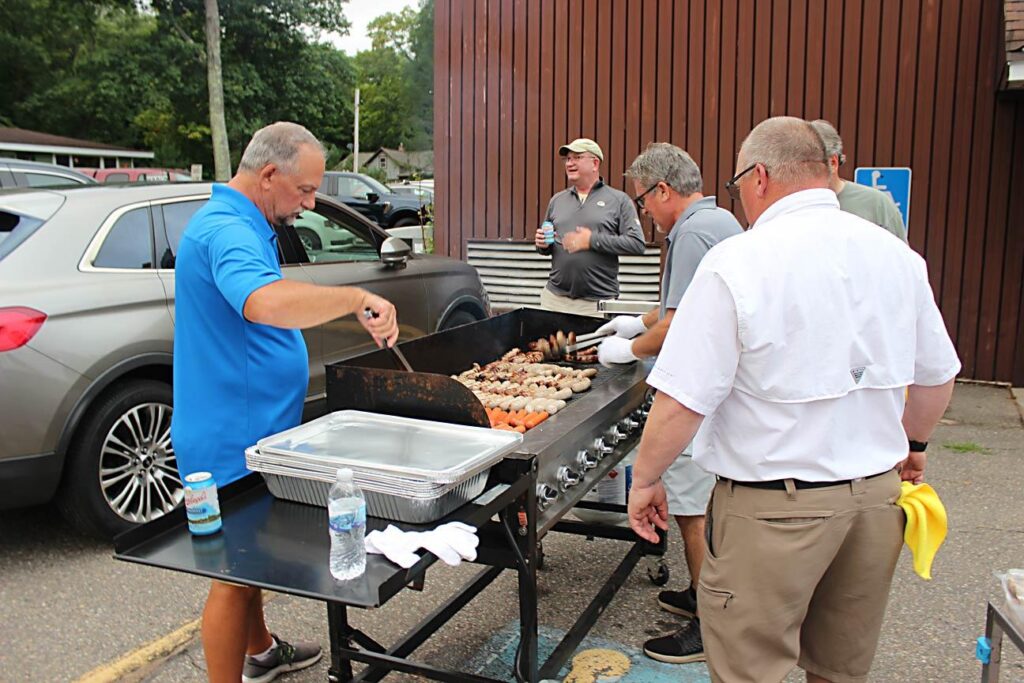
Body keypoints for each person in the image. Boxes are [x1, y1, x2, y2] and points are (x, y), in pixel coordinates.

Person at [627, 116, 960, 683]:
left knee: (749, 669)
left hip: (773, 508)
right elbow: (937, 377)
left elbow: (683, 398)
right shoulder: (897, 256)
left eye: (738, 185)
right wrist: (915, 444)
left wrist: (646, 479)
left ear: (758, 177)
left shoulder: (737, 262)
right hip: (875, 502)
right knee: (837, 668)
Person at [171, 121, 399, 683]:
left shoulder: (246, 220)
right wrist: (354, 298)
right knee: (231, 574)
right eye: (305, 190)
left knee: (248, 560)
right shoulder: (227, 229)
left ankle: (263, 651)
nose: (310, 203)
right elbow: (262, 302)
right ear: (269, 174)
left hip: (248, 424)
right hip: (231, 435)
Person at [595, 142, 742, 664]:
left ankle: (708, 622)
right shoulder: (717, 220)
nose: (644, 214)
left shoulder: (693, 233)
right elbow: (674, 307)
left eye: (642, 201)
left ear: (663, 190)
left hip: (699, 392)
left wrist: (629, 349)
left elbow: (680, 324)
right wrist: (637, 321)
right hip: (723, 386)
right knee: (698, 502)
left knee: (690, 506)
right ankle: (703, 595)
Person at [533, 138, 646, 316]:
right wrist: (542, 244)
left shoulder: (618, 200)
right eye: (567, 159)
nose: (569, 163)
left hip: (595, 305)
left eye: (577, 157)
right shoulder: (557, 200)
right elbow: (546, 247)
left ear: (595, 163)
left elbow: (637, 244)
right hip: (554, 300)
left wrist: (592, 240)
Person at [810, 119, 908, 242]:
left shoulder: (876, 204)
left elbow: (899, 252)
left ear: (833, 163)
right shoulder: (792, 203)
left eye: (809, 163)